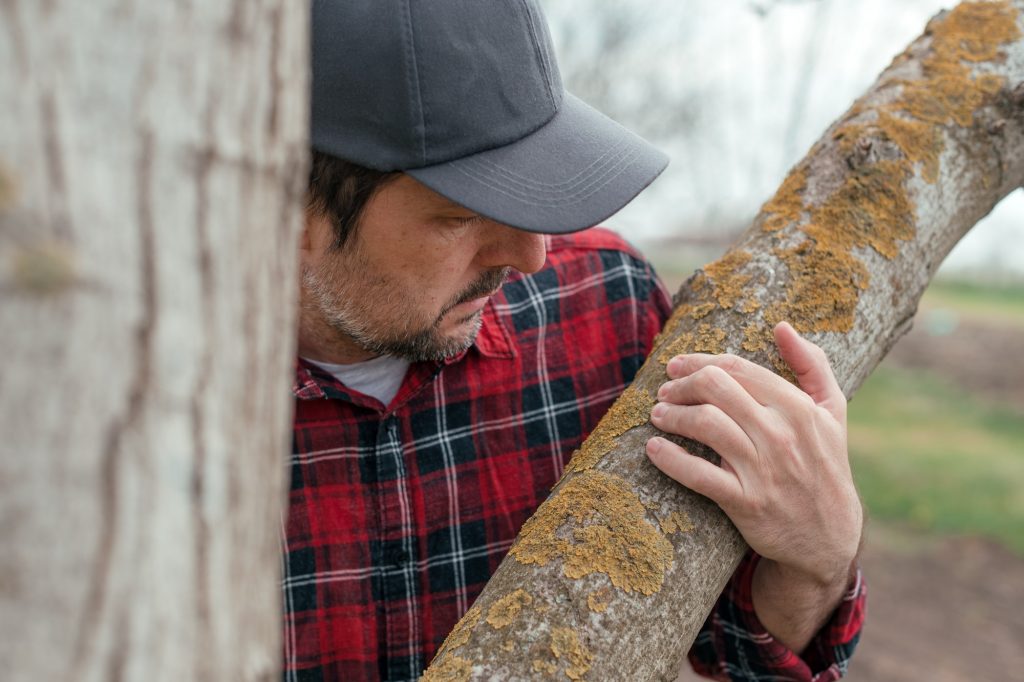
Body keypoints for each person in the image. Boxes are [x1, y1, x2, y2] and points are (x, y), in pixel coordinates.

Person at [283, 1, 866, 680]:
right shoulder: (142, 401)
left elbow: (730, 653)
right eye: (463, 215)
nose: (531, 255)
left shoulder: (603, 305)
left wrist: (815, 565)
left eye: (532, 187)